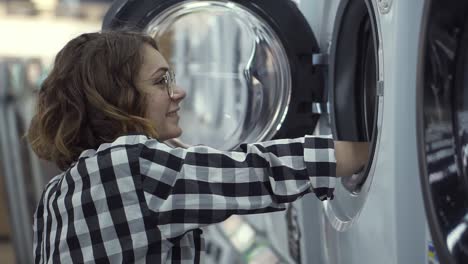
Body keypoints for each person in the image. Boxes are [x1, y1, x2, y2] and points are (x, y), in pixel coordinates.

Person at [28, 31, 369, 264]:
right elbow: (257, 172)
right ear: (116, 96)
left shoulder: (55, 195)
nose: (179, 93)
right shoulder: (130, 166)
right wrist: (373, 152)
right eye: (161, 81)